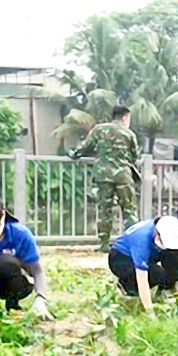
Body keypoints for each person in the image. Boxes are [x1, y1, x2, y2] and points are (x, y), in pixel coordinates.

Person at [69, 105, 141, 252]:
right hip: (123, 176)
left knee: (104, 209)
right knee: (129, 210)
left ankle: (104, 244)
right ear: (124, 117)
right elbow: (135, 156)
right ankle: (133, 243)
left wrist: (73, 154)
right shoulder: (129, 133)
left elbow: (85, 147)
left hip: (103, 175)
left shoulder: (99, 130)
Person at [108, 216, 178, 314]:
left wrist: (175, 279)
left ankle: (166, 290)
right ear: (157, 232)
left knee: (172, 254)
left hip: (149, 253)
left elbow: (175, 262)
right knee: (158, 276)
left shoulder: (168, 229)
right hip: (121, 258)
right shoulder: (141, 239)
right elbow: (142, 280)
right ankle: (126, 285)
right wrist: (149, 312)